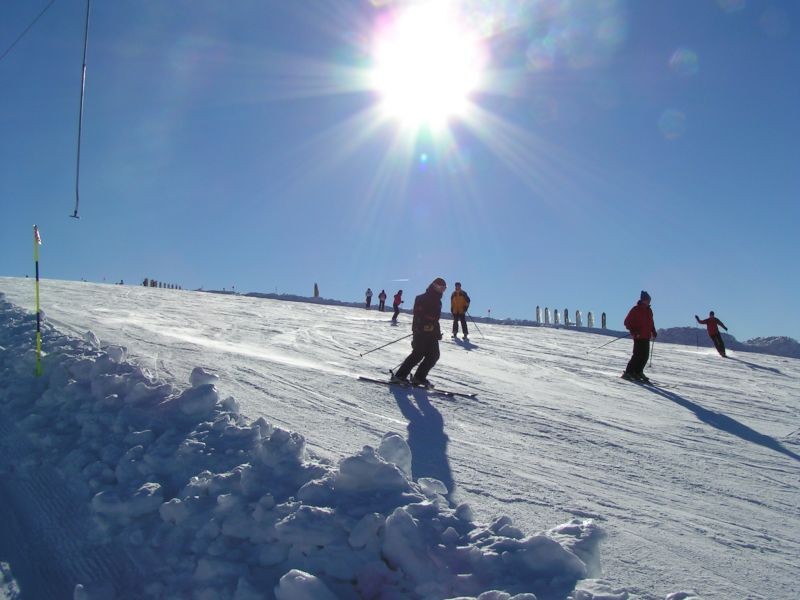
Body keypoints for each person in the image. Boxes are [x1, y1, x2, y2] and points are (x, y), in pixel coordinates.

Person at [391, 278, 447, 387]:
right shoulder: (422, 298)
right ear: (435, 286)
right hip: (420, 331)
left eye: (445, 288)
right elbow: (418, 314)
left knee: (434, 355)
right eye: (441, 288)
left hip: (432, 333)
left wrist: (437, 332)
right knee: (418, 354)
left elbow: (436, 320)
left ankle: (419, 377)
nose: (443, 290)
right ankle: (399, 376)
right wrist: (422, 326)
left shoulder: (438, 302)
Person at [622, 290, 657, 382]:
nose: (649, 301)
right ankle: (628, 372)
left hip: (646, 336)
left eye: (649, 300)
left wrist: (653, 331)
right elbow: (627, 322)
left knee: (645, 356)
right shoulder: (635, 309)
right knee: (637, 355)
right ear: (643, 300)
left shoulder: (649, 310)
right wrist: (634, 331)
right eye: (648, 300)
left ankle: (638, 372)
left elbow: (651, 323)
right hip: (638, 336)